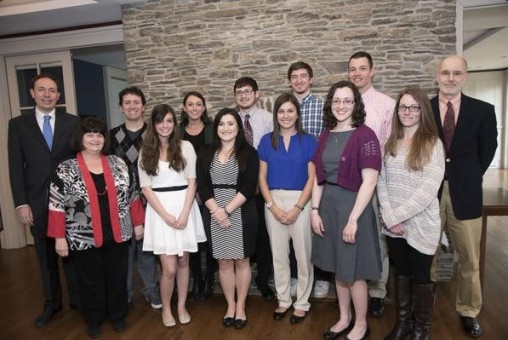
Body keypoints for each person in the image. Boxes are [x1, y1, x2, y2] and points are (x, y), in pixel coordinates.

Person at [47, 117, 145, 338]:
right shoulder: (65, 169)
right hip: (83, 237)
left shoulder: (117, 163)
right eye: (90, 134)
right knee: (90, 280)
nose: (95, 138)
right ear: (80, 138)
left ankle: (118, 315)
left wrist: (138, 223)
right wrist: (59, 237)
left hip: (118, 232)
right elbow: (55, 205)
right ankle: (94, 319)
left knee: (117, 277)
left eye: (100, 134)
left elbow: (133, 195)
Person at [430, 55, 497, 338]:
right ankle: (424, 309)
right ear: (437, 76)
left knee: (469, 260)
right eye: (445, 73)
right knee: (425, 255)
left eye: (457, 73)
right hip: (428, 194)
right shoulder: (424, 108)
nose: (451, 78)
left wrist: (468, 176)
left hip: (465, 193)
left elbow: (487, 151)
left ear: (465, 76)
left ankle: (468, 311)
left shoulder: (483, 110)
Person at [8, 73, 80, 327]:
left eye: (52, 91)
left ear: (59, 96)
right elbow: (16, 167)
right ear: (32, 93)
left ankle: (78, 301)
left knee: (72, 253)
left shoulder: (72, 122)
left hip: (70, 200)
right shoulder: (18, 125)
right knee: (46, 257)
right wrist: (21, 203)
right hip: (36, 200)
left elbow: (79, 161)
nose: (47, 95)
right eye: (42, 90)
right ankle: (52, 304)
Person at [311, 80, 381, 340]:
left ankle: (361, 323)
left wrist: (353, 219)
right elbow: (318, 176)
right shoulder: (326, 134)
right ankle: (344, 318)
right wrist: (314, 210)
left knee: (353, 271)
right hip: (328, 206)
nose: (341, 106)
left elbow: (370, 181)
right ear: (330, 104)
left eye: (347, 100)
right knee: (337, 268)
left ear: (356, 104)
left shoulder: (365, 135)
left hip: (354, 208)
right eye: (337, 100)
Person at [378, 87, 445, 340]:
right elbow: (381, 181)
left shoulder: (432, 144)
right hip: (394, 225)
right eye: (403, 107)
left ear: (422, 111)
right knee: (401, 274)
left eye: (413, 107)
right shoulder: (391, 142)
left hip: (420, 225)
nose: (407, 112)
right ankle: (403, 324)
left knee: (421, 277)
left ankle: (421, 329)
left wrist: (396, 216)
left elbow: (429, 190)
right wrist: (388, 213)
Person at [138, 104, 206, 327]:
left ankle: (181, 306)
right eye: (160, 121)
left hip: (184, 207)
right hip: (159, 211)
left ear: (174, 123)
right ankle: (166, 309)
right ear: (153, 124)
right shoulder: (145, 150)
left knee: (184, 260)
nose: (164, 125)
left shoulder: (185, 146)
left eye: (169, 121)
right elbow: (145, 187)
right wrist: (165, 215)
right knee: (168, 268)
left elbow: (192, 181)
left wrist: (185, 212)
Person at [196, 108, 259, 330]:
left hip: (242, 212)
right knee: (223, 262)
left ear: (238, 127)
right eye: (221, 124)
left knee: (242, 261)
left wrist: (226, 210)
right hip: (214, 212)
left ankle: (241, 306)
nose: (226, 128)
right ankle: (230, 305)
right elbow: (202, 187)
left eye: (231, 124)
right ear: (216, 128)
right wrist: (217, 211)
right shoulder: (205, 153)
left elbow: (250, 186)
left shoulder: (249, 153)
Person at [258, 93, 317, 324]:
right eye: (281, 111)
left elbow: (312, 178)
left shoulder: (310, 140)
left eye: (290, 111)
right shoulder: (266, 141)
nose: (285, 115)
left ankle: (302, 302)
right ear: (276, 115)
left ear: (297, 114)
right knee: (279, 255)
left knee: (303, 255)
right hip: (273, 200)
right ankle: (284, 299)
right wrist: (271, 205)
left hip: (300, 200)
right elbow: (262, 178)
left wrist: (298, 207)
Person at [348, 51, 395, 317]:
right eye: (353, 69)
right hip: (344, 185)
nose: (357, 73)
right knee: (347, 236)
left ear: (372, 71)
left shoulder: (386, 105)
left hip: (374, 182)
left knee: (375, 239)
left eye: (362, 68)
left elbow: (389, 148)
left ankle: (376, 291)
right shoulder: (341, 103)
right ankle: (351, 288)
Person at [109, 86, 162, 309]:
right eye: (127, 102)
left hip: (150, 200)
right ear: (121, 107)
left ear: (143, 106)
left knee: (147, 249)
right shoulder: (111, 136)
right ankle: (125, 293)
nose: (132, 106)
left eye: (136, 102)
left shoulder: (155, 133)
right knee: (124, 252)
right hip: (121, 203)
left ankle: (151, 290)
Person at [287, 61, 329, 299]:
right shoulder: (286, 106)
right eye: (295, 76)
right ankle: (295, 275)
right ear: (290, 80)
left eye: (304, 76)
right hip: (293, 176)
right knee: (293, 229)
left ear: (311, 79)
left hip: (317, 175)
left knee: (318, 228)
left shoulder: (323, 106)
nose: (299, 80)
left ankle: (322, 278)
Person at [233, 76, 275, 301]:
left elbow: (273, 153)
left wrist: (263, 184)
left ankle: (263, 279)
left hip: (263, 186)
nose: (244, 95)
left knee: (264, 236)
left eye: (248, 91)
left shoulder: (269, 119)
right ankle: (241, 279)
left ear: (257, 93)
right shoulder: (231, 120)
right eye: (239, 92)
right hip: (237, 188)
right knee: (241, 234)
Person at [178, 91, 217, 300]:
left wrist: (204, 192)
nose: (194, 108)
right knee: (190, 240)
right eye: (190, 104)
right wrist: (191, 193)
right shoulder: (177, 133)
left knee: (211, 239)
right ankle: (197, 281)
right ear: (184, 108)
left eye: (198, 104)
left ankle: (210, 278)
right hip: (185, 194)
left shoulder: (213, 130)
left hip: (210, 192)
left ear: (204, 107)